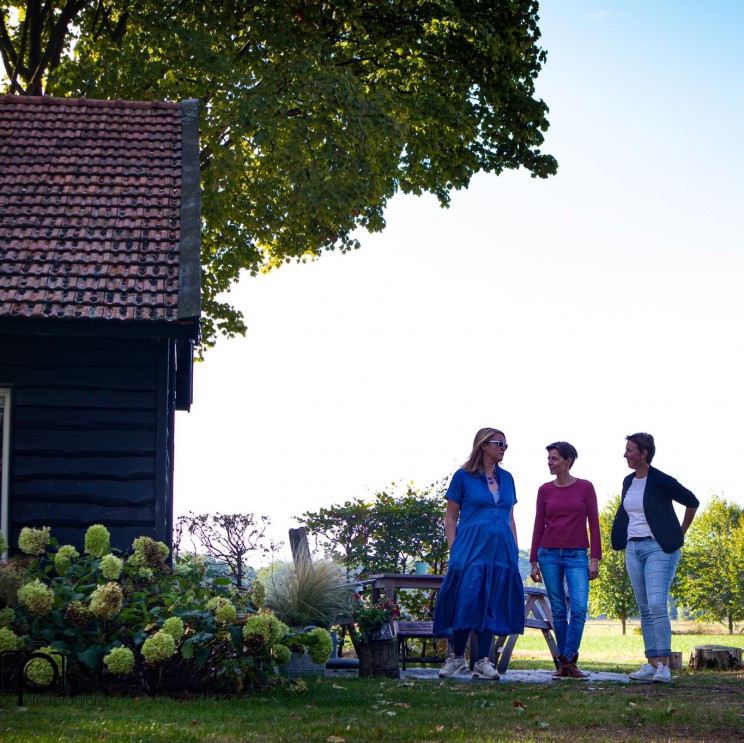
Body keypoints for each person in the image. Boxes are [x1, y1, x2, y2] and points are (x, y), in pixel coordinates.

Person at [433, 427, 525, 680]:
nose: (503, 448)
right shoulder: (463, 477)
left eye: (506, 445)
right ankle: (457, 658)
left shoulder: (508, 478)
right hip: (470, 549)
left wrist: (514, 551)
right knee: (466, 600)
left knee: (492, 602)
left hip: (501, 551)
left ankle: (484, 662)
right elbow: (450, 518)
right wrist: (455, 550)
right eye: (499, 443)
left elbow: (510, 517)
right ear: (483, 445)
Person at [611, 432, 699, 684]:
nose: (625, 454)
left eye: (630, 450)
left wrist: (679, 534)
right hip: (633, 549)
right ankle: (651, 663)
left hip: (659, 548)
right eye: (626, 450)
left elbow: (692, 501)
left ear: (644, 453)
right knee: (645, 608)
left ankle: (665, 667)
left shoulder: (660, 480)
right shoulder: (628, 481)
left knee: (658, 605)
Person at [529, 441, 601, 680]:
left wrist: (595, 558)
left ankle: (568, 659)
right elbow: (538, 525)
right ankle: (566, 664)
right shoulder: (544, 490)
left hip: (577, 555)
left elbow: (594, 524)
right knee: (558, 610)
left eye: (555, 458)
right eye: (549, 458)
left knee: (579, 608)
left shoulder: (586, 487)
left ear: (568, 461)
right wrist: (533, 561)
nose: (550, 462)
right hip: (548, 554)